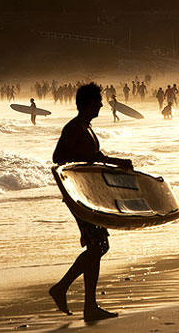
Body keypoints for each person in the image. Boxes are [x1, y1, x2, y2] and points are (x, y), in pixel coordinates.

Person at [51, 82, 132, 321]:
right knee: (97, 246)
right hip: (79, 197)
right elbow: (58, 158)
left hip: (91, 195)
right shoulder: (74, 127)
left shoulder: (86, 127)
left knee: (98, 246)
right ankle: (62, 288)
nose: (101, 104)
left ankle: (90, 306)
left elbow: (94, 158)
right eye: (98, 101)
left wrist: (117, 163)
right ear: (87, 103)